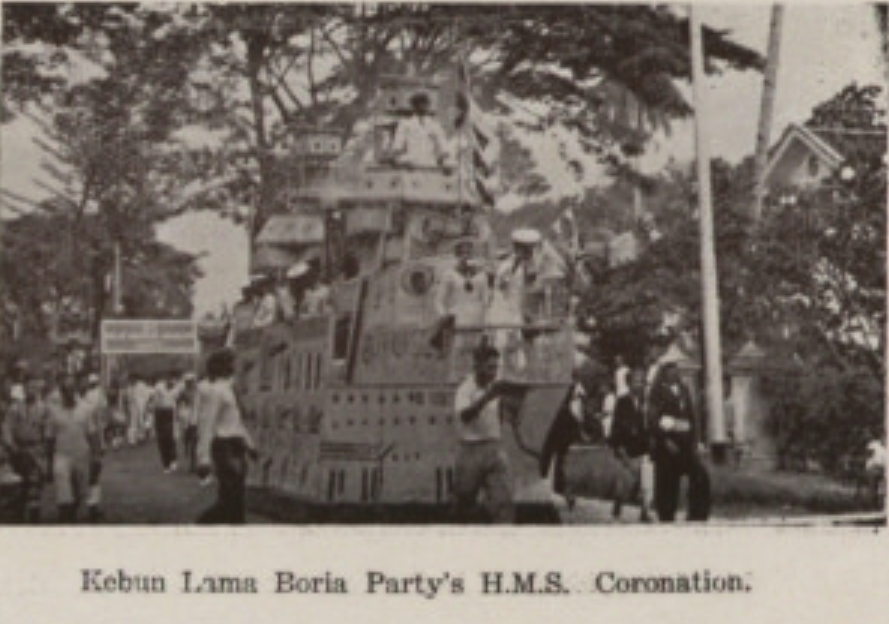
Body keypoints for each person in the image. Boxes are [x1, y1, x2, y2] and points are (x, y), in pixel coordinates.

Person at [453, 341, 514, 523]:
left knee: (503, 503)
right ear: (477, 366)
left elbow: (499, 414)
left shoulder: (493, 386)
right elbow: (465, 415)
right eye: (490, 367)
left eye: (496, 367)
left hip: (494, 448)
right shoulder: (465, 389)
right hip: (470, 450)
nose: (494, 372)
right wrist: (487, 397)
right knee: (464, 505)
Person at [197, 349, 257, 524]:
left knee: (235, 496)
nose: (239, 367)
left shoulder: (229, 391)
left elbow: (236, 423)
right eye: (235, 363)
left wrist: (249, 445)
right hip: (224, 448)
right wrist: (203, 459)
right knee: (232, 497)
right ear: (226, 367)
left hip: (235, 446)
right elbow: (206, 425)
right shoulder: (216, 392)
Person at [648, 362, 710, 522]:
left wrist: (696, 440)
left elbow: (691, 416)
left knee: (699, 474)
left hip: (685, 442)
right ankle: (666, 514)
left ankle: (697, 513)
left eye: (676, 370)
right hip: (667, 444)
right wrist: (665, 440)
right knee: (668, 481)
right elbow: (653, 420)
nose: (674, 373)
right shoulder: (656, 392)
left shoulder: (684, 390)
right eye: (670, 370)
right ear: (664, 372)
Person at [46, 374, 101, 523]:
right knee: (64, 494)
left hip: (81, 455)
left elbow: (92, 434)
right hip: (61, 455)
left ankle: (74, 516)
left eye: (71, 389)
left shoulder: (84, 409)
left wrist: (96, 456)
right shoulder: (54, 411)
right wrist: (48, 461)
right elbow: (49, 438)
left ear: (75, 390)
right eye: (65, 390)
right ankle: (65, 519)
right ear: (61, 392)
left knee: (79, 494)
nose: (69, 393)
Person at [609, 368, 653, 522]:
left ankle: (644, 511)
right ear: (629, 384)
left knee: (645, 481)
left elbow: (647, 424)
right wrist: (618, 446)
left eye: (642, 381)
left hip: (642, 447)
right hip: (626, 448)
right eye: (636, 381)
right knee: (624, 482)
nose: (639, 385)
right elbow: (616, 425)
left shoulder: (645, 402)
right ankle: (618, 503)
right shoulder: (622, 402)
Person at [2, 379, 49, 523]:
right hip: (18, 450)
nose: (31, 391)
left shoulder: (44, 408)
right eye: (28, 388)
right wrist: (11, 445)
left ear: (38, 390)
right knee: (19, 486)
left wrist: (45, 447)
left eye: (34, 388)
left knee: (34, 486)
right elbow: (6, 427)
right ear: (24, 390)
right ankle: (19, 515)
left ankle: (34, 517)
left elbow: (48, 430)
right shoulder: (15, 408)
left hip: (36, 450)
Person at [390, 91, 451, 169]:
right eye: (418, 104)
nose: (422, 106)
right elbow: (397, 146)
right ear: (413, 106)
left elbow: (444, 147)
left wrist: (443, 158)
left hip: (430, 165)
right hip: (411, 165)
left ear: (428, 105)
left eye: (424, 103)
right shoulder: (405, 124)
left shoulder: (435, 125)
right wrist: (401, 160)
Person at [147, 373, 179, 473]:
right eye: (169, 380)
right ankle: (166, 463)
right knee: (162, 439)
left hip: (170, 413)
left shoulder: (177, 388)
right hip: (159, 413)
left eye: (173, 381)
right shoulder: (159, 387)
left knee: (170, 437)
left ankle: (173, 459)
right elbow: (152, 399)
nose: (171, 383)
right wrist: (151, 407)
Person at [178, 374, 200, 473]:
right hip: (188, 419)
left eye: (191, 381)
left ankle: (195, 464)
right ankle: (192, 464)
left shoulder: (199, 391)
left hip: (197, 419)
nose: (189, 383)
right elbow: (178, 402)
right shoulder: (183, 392)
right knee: (190, 441)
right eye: (187, 381)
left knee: (196, 443)